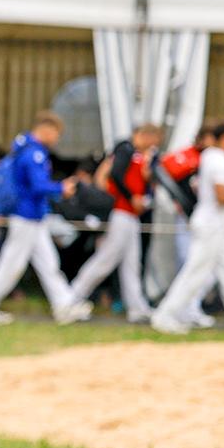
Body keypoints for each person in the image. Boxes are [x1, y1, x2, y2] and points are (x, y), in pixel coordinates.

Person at [0, 111, 90, 326]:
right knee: (11, 264)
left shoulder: (24, 149)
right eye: (57, 134)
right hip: (26, 217)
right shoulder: (34, 153)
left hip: (33, 218)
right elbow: (37, 185)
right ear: (47, 130)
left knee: (48, 263)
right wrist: (60, 187)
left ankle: (64, 305)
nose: (57, 139)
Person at [151, 124, 224, 336]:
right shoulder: (219, 160)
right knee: (195, 272)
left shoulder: (214, 157)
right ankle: (165, 315)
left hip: (220, 224)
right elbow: (222, 197)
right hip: (211, 224)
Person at [68, 124, 159, 321]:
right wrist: (131, 196)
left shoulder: (138, 155)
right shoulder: (124, 149)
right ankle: (72, 297)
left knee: (131, 263)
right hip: (120, 212)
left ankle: (136, 306)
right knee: (105, 259)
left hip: (131, 215)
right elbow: (115, 175)